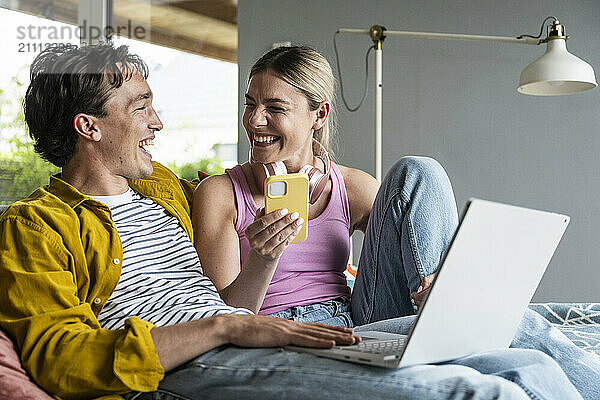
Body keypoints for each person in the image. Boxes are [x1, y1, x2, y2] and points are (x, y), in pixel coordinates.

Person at [0, 43, 590, 400]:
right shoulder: (35, 227)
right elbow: (62, 358)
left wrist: (262, 263)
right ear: (89, 127)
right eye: (141, 107)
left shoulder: (161, 192)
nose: (158, 121)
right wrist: (227, 328)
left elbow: (235, 287)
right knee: (476, 391)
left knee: (525, 363)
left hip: (267, 334)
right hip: (204, 359)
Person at [192, 46, 600, 399]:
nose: (254, 120)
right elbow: (226, 318)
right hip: (284, 332)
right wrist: (264, 258)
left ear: (319, 114)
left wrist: (443, 280)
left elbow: (405, 242)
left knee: (418, 170)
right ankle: (457, 319)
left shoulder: (350, 186)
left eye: (275, 108)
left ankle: (444, 303)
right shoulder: (220, 192)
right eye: (250, 104)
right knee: (520, 330)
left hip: (358, 316)